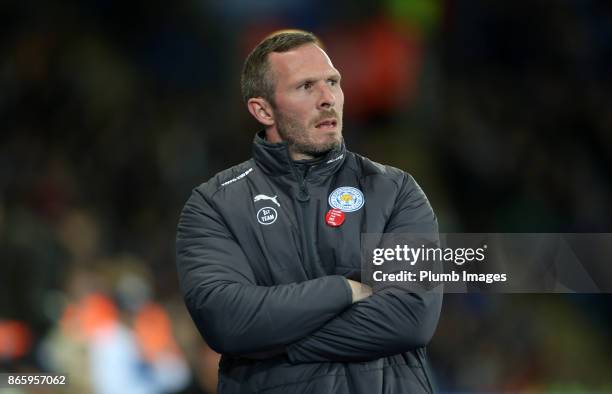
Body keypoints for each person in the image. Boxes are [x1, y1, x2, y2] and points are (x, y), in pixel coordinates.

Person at [176, 30, 442, 394]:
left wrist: (269, 342)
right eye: (305, 87)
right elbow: (228, 323)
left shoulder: (395, 191)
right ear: (262, 109)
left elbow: (411, 318)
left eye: (333, 82)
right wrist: (342, 290)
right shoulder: (215, 205)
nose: (327, 98)